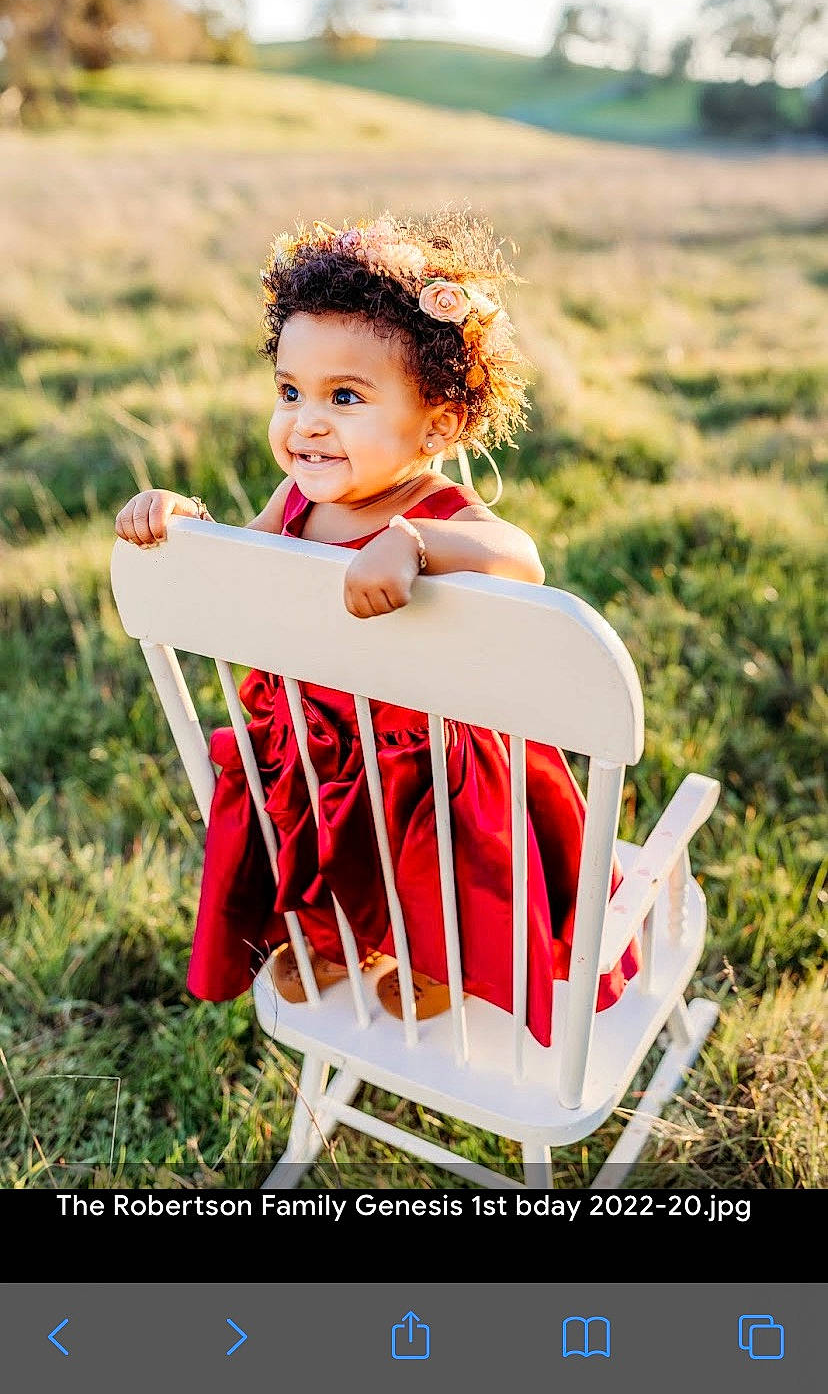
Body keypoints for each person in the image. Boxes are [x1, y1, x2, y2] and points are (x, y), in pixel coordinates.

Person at [114, 210, 638, 1045]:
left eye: (345, 398)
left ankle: (434, 960)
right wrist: (184, 523)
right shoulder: (295, 500)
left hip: (419, 751)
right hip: (313, 736)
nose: (307, 423)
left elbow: (522, 557)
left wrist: (418, 543)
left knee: (428, 865)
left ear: (438, 427)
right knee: (318, 843)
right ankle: (333, 939)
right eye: (291, 393)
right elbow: (240, 567)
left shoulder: (434, 508)